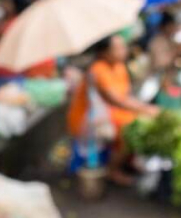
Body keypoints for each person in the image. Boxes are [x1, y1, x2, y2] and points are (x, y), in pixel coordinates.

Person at [67, 35, 159, 185]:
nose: (124, 50)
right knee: (131, 129)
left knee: (139, 122)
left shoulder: (119, 66)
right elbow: (115, 100)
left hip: (109, 112)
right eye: (118, 48)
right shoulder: (98, 70)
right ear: (104, 52)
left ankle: (126, 162)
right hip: (88, 119)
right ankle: (113, 171)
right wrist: (147, 109)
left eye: (123, 46)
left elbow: (125, 97)